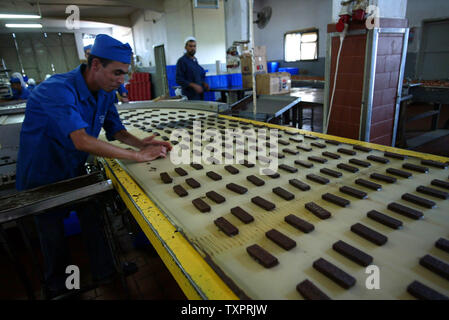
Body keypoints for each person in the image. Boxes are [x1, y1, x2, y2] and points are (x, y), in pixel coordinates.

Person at [16, 34, 172, 298]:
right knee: (53, 236)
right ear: (96, 65)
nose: (122, 80)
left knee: (95, 216)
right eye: (118, 72)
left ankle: (105, 270)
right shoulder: (57, 90)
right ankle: (59, 286)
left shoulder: (105, 93)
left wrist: (140, 144)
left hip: (72, 173)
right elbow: (81, 140)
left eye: (125, 73)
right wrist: (135, 157)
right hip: (41, 177)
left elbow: (117, 130)